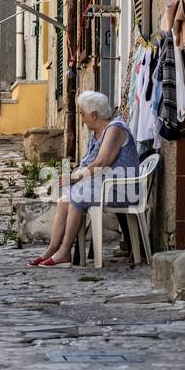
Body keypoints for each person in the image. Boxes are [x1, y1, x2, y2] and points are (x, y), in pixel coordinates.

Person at [29, 90, 141, 267]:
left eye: (83, 114)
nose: (82, 119)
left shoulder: (115, 129)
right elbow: (87, 162)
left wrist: (73, 178)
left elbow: (101, 163)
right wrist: (72, 177)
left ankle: (65, 251)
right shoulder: (96, 133)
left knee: (78, 196)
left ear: (94, 115)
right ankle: (53, 249)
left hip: (123, 189)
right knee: (65, 199)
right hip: (106, 186)